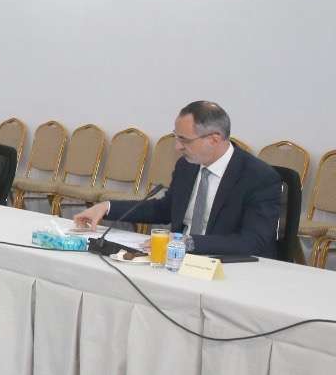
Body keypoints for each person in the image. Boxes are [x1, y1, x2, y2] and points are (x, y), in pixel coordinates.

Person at [73, 100, 282, 258]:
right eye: (176, 137)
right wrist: (107, 207)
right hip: (176, 260)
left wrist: (188, 242)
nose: (177, 147)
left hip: (226, 265)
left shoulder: (258, 177)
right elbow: (165, 209)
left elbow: (253, 241)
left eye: (184, 140)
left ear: (214, 139)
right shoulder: (187, 165)